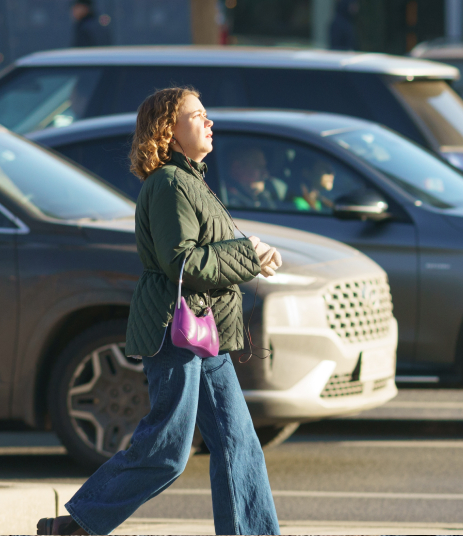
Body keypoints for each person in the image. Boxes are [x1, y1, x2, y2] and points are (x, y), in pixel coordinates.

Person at [36, 87, 282, 536]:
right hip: (178, 329)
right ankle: (77, 525)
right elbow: (181, 262)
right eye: (198, 115)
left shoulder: (189, 179)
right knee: (167, 450)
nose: (210, 123)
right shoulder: (169, 183)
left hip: (206, 333)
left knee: (239, 444)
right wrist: (247, 253)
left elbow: (207, 253)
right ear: (169, 130)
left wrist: (253, 255)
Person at [225, 145, 281, 209]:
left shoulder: (263, 197)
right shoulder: (228, 200)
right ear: (237, 168)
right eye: (259, 167)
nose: (265, 173)